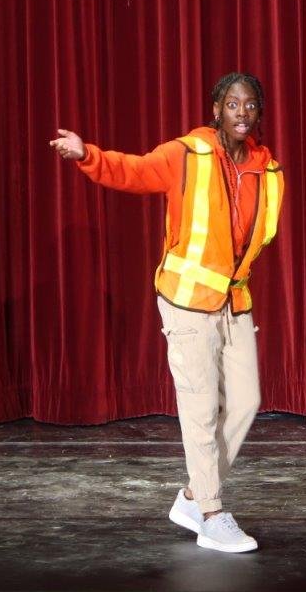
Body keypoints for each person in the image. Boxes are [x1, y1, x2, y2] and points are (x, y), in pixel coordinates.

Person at [50, 72, 284, 552]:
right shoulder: (187, 154)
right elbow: (134, 171)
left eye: (251, 105)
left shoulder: (268, 169)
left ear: (259, 113)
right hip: (186, 301)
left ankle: (194, 497)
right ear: (216, 109)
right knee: (199, 408)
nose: (243, 113)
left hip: (234, 301)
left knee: (246, 401)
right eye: (233, 104)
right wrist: (87, 154)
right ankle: (213, 514)